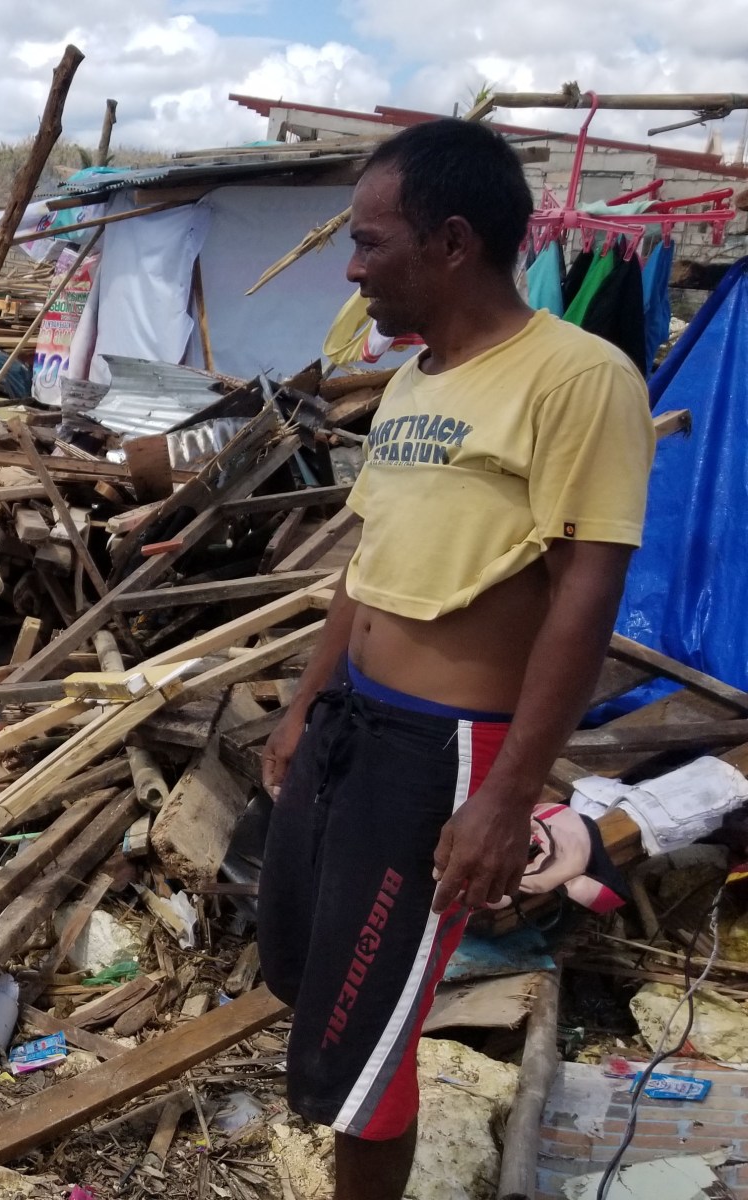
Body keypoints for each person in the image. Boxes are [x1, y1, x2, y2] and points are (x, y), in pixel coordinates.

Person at [258, 118, 653, 1200]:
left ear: (450, 243)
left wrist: (505, 800)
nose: (350, 267)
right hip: (355, 727)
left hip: (449, 754)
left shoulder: (575, 378)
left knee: (365, 1046)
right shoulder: (414, 384)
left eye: (369, 242)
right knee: (318, 985)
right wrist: (303, 705)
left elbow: (586, 587)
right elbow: (366, 562)